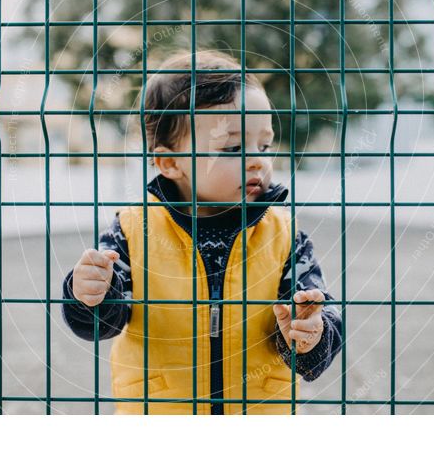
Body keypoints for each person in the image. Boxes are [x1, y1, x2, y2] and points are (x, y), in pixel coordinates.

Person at [61, 49, 342, 414]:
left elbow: (315, 323)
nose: (258, 159)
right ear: (170, 162)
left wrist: (309, 335)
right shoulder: (131, 232)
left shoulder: (285, 236)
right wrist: (89, 293)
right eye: (234, 147)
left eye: (265, 145)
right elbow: (100, 326)